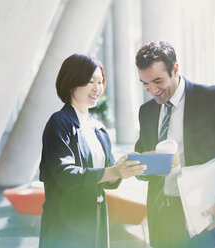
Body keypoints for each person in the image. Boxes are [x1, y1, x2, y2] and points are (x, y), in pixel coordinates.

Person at [133, 40, 215, 248]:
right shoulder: (146, 112)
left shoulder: (213, 98)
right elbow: (142, 164)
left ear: (175, 69)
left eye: (158, 81)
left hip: (206, 218)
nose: (152, 90)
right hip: (163, 219)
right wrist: (140, 165)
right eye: (145, 83)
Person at [38, 54, 146, 248]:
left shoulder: (98, 128)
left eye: (100, 81)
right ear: (72, 82)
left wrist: (120, 168)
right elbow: (65, 176)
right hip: (65, 227)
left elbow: (108, 179)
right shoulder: (59, 123)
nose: (97, 88)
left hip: (95, 222)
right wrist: (113, 171)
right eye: (90, 81)